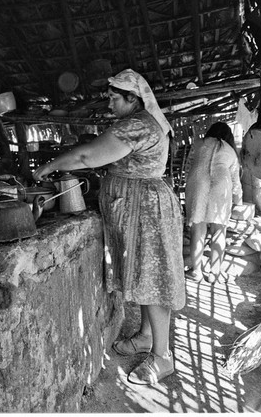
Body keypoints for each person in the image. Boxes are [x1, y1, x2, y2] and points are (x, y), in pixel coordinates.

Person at [33, 69, 185, 385]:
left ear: (134, 98)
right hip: (140, 208)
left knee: (153, 280)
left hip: (147, 213)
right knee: (145, 276)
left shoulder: (137, 125)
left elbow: (88, 155)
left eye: (115, 99)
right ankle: (146, 336)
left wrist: (48, 166)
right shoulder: (141, 122)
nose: (110, 105)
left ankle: (162, 358)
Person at [184, 122, 242, 283]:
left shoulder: (199, 144)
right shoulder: (230, 151)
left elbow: (189, 166)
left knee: (198, 227)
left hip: (197, 183)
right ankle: (214, 272)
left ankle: (196, 272)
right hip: (221, 186)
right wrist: (238, 199)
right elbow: (235, 179)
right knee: (219, 230)